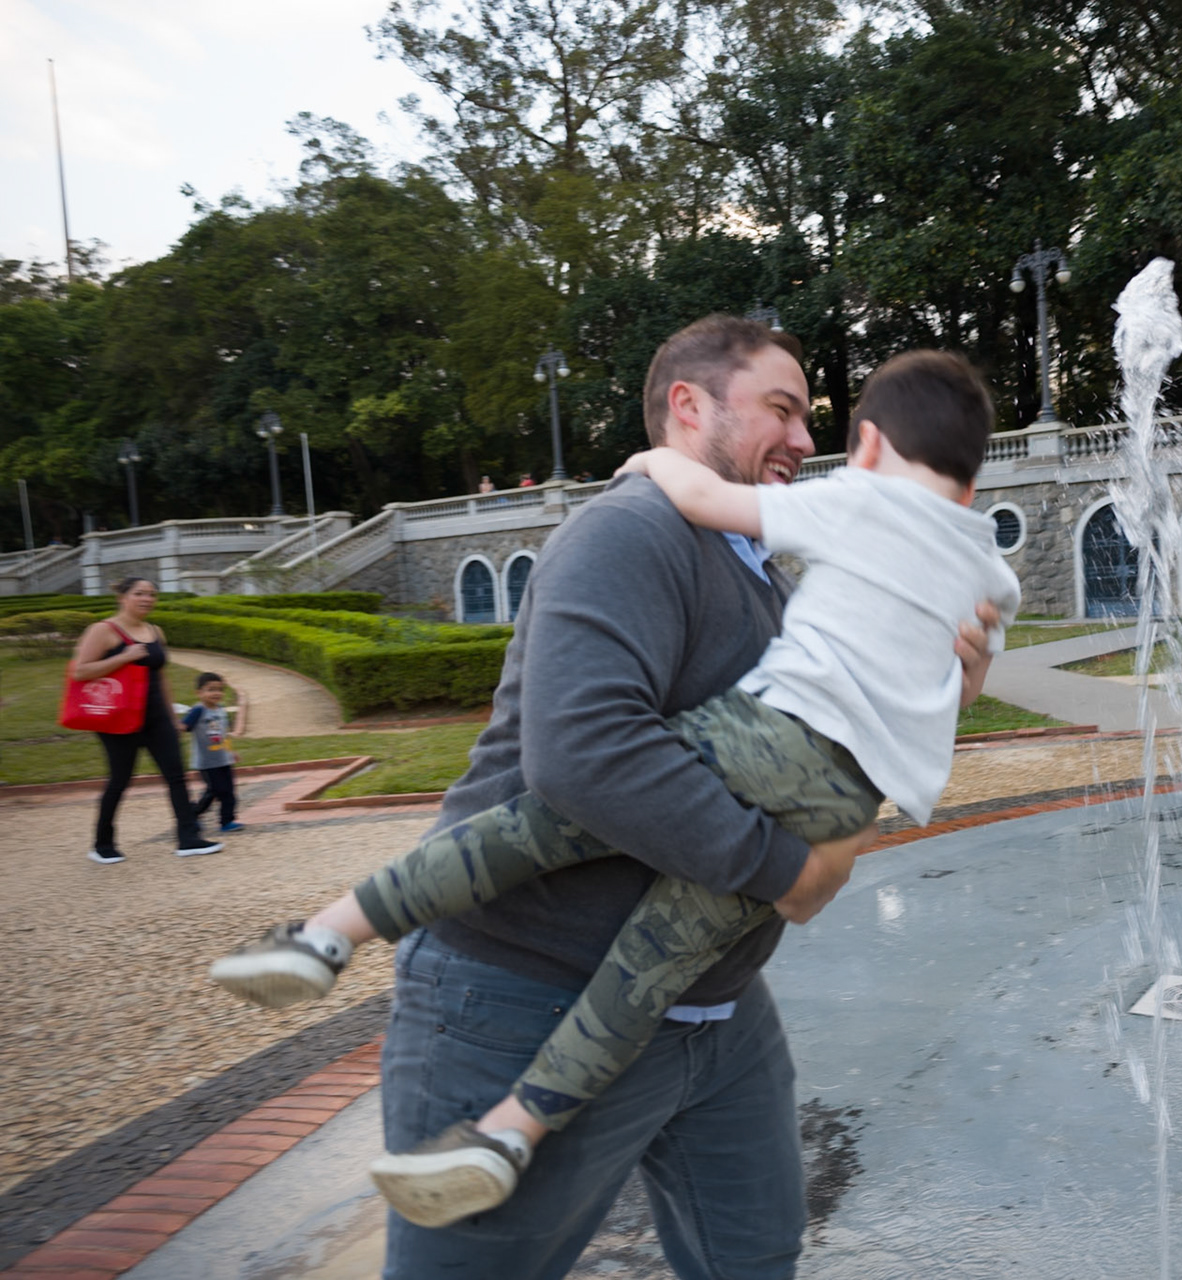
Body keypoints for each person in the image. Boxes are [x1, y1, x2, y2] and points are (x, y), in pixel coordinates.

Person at [246, 316, 997, 1279]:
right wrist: (788, 873)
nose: (806, 438)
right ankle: (331, 939)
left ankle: (384, 991)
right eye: (781, 409)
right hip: (519, 995)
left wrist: (943, 689)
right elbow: (583, 756)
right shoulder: (630, 529)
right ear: (688, 406)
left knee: (755, 1260)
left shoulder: (774, 574)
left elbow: (823, 756)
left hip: (714, 1013)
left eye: (811, 417)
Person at [70, 577, 223, 863]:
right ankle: (102, 844)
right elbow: (80, 671)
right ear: (122, 597)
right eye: (139, 593)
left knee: (176, 776)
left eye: (152, 594)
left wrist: (172, 718)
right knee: (120, 780)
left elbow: (161, 677)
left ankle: (188, 839)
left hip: (157, 719)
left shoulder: (155, 631)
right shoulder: (103, 630)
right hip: (119, 719)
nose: (147, 599)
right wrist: (124, 657)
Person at [182, 671, 243, 833]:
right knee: (214, 790)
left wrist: (231, 752)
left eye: (219, 689)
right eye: (211, 689)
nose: (216, 693)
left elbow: (224, 735)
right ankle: (193, 814)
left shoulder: (221, 710)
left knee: (229, 791)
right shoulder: (198, 710)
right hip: (207, 762)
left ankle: (227, 821)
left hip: (224, 759)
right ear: (199, 693)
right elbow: (184, 727)